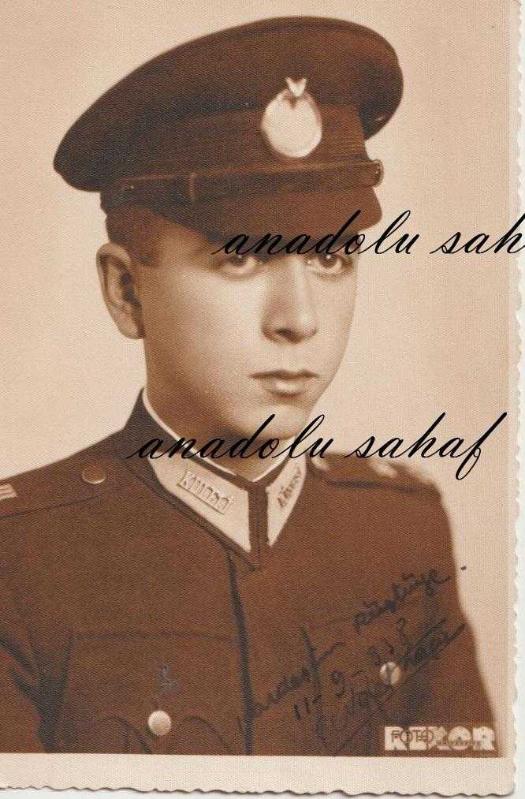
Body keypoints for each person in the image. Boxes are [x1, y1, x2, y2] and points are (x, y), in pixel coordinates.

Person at [0, 16, 495, 755]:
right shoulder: (20, 558)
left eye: (330, 258)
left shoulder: (402, 532)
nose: (299, 318)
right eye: (241, 258)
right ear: (127, 292)